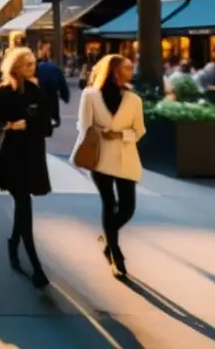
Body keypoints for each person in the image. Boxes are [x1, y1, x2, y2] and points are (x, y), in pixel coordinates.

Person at [0, 46, 57, 289]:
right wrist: (8, 125)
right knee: (24, 204)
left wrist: (28, 124)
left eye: (33, 63)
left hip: (33, 156)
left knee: (23, 206)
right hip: (10, 156)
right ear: (15, 66)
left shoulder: (36, 90)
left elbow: (47, 127)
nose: (32, 67)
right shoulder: (0, 92)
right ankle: (36, 266)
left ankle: (13, 242)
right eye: (27, 64)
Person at [73, 54, 146, 278]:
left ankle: (108, 238)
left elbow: (139, 130)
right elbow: (83, 125)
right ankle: (115, 252)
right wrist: (100, 133)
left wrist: (121, 134)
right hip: (100, 157)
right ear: (114, 71)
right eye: (126, 68)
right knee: (109, 203)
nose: (130, 71)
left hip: (126, 156)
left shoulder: (134, 99)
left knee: (128, 207)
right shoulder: (90, 94)